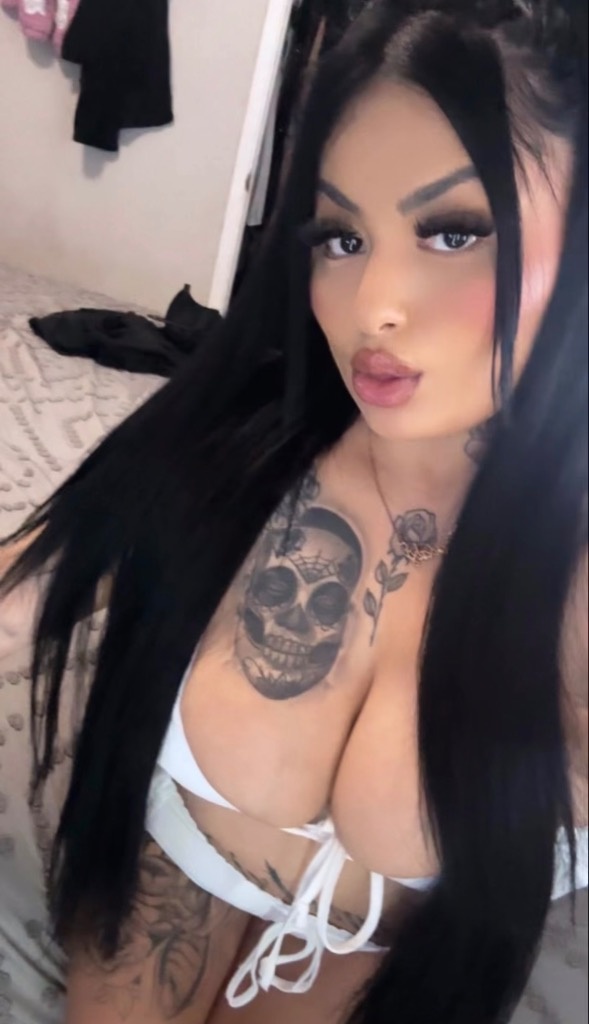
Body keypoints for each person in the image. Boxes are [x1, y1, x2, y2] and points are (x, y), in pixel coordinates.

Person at [0, 1, 587, 1022]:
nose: (372, 307)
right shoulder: (238, 437)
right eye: (339, 236)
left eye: (453, 231)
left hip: (382, 963)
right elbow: (29, 573)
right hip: (169, 891)